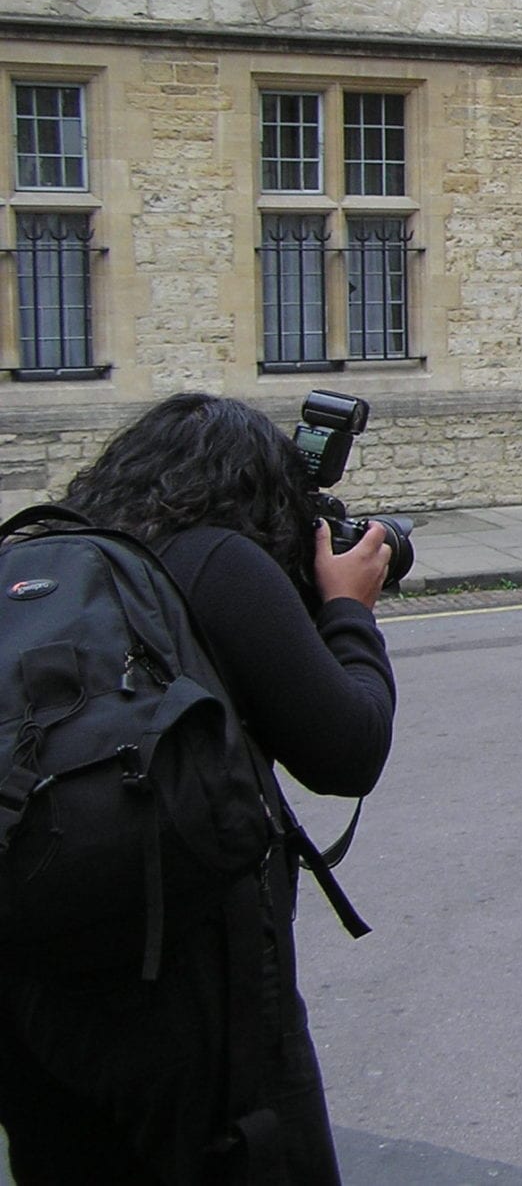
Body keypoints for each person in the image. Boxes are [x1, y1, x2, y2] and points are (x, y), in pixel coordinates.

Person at [0, 394, 398, 1185]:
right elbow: (347, 748)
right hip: (190, 983)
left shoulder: (42, 557)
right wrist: (349, 610)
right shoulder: (214, 560)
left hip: (30, 973)